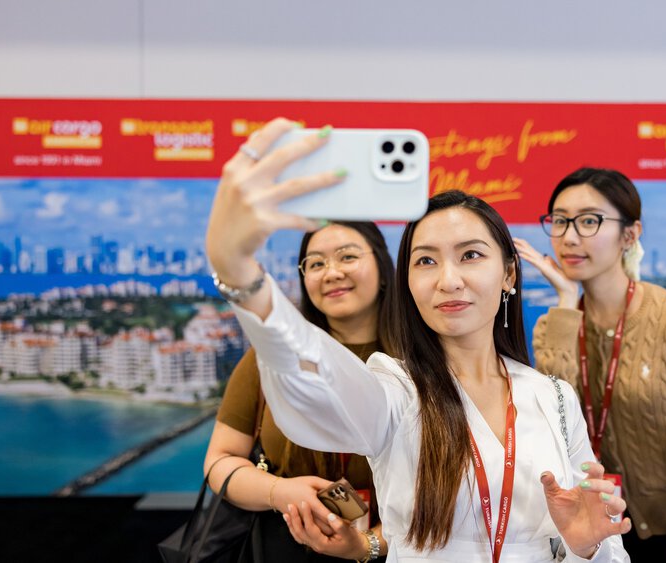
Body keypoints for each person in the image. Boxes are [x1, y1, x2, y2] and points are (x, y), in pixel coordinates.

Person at [205, 118, 632, 562]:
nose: (448, 280)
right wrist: (239, 271)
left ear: (508, 273)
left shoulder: (555, 399)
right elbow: (313, 380)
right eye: (426, 261)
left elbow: (609, 551)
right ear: (407, 282)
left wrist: (587, 548)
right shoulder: (395, 390)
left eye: (470, 255)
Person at [514, 167, 666, 561]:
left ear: (630, 235)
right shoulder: (554, 327)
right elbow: (550, 427)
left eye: (588, 221)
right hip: (596, 534)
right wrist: (565, 299)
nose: (569, 236)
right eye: (559, 221)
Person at [203, 217, 398, 561]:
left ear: (383, 267)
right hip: (280, 549)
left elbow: (449, 493)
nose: (332, 273)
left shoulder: (421, 362)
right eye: (316, 264)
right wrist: (278, 491)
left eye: (348, 257)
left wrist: (367, 544)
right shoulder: (272, 360)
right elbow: (219, 461)